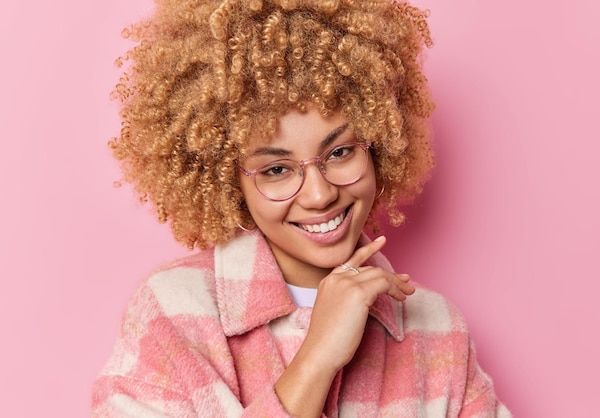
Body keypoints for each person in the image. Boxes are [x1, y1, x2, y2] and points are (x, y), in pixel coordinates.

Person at [92, 0, 511, 416]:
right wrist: (317, 359)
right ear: (228, 178)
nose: (318, 194)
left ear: (379, 146)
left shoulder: (437, 329)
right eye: (277, 169)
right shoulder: (173, 315)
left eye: (341, 151)